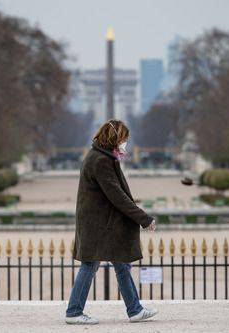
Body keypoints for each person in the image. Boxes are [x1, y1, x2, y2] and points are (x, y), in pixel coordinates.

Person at [65, 119, 158, 325]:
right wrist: (144, 218)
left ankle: (135, 310)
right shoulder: (101, 161)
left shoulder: (101, 157)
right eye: (124, 139)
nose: (126, 143)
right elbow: (117, 196)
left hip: (101, 222)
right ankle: (73, 312)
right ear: (115, 139)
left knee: (121, 264)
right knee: (90, 264)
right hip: (99, 224)